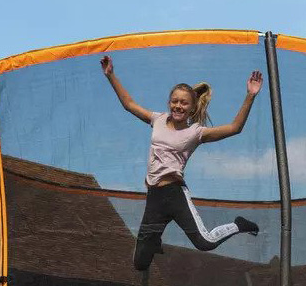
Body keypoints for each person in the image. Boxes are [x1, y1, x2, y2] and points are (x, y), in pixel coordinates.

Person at [101, 54, 262, 271]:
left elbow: (235, 128)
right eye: (175, 101)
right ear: (169, 103)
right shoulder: (157, 119)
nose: (178, 106)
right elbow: (129, 104)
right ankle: (154, 241)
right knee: (140, 264)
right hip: (154, 199)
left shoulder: (196, 132)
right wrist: (111, 75)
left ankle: (238, 225)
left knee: (205, 243)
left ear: (192, 108)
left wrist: (250, 96)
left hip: (175, 194)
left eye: (184, 103)